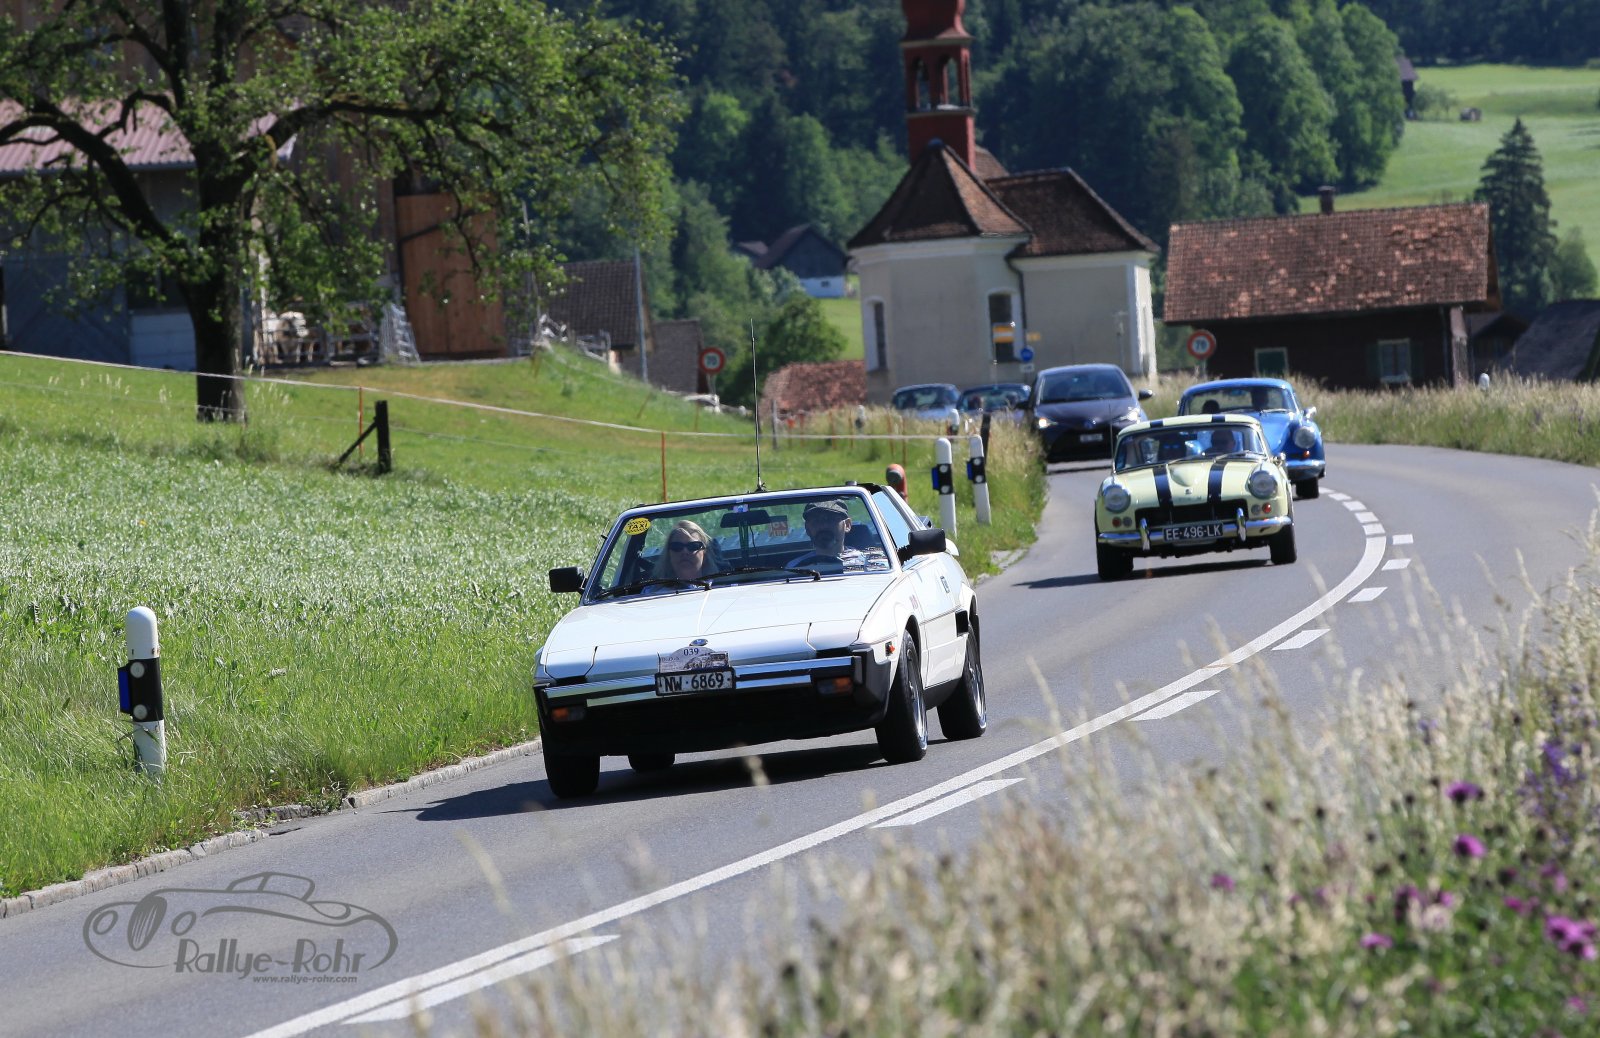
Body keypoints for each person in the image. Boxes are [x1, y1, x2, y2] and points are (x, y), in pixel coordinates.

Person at [787, 500, 888, 573]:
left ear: (847, 525)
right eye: (816, 521)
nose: (824, 526)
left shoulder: (869, 564)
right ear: (807, 528)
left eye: (831, 519)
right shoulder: (795, 568)